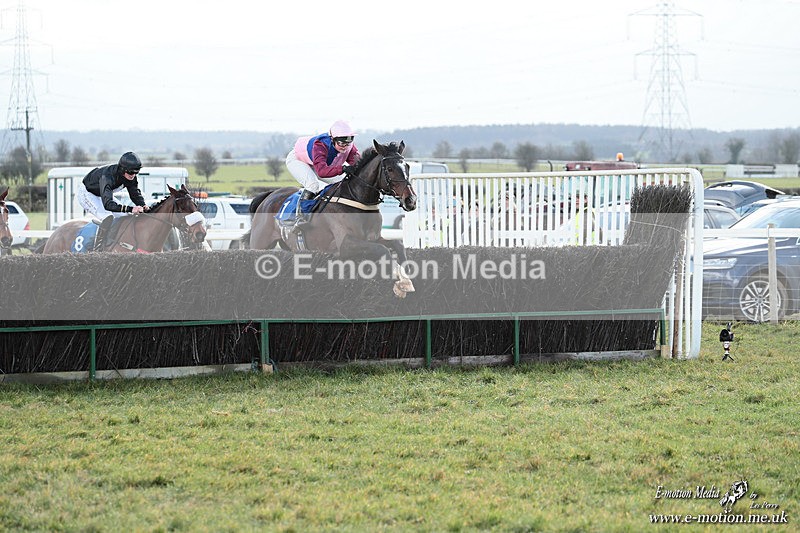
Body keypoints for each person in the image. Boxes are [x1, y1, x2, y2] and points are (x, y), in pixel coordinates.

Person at [285, 120, 361, 230]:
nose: (345, 146)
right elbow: (322, 172)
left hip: (319, 163)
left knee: (341, 182)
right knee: (312, 185)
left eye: (348, 142)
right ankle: (299, 218)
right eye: (341, 143)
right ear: (332, 139)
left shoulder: (348, 145)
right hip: (298, 160)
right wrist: (343, 168)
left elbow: (358, 163)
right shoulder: (321, 145)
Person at [77, 151, 149, 250]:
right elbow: (108, 205)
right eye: (131, 172)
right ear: (123, 169)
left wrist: (143, 205)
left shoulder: (130, 176)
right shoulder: (107, 177)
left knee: (125, 215)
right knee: (107, 217)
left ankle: (115, 240)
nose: (133, 175)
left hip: (101, 193)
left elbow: (135, 194)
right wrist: (131, 208)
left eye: (136, 172)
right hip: (87, 193)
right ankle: (97, 247)